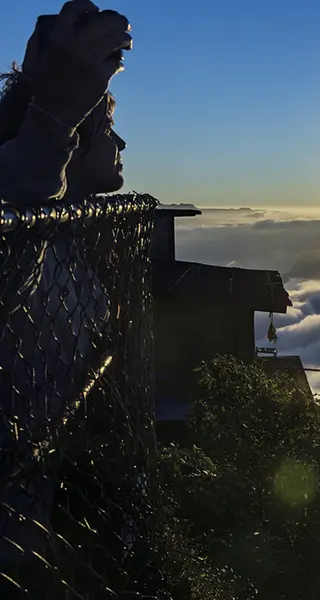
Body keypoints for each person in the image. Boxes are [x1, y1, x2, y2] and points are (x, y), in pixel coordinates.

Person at [0, 0, 132, 583]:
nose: (120, 140)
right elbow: (13, 220)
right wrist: (53, 115)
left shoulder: (65, 245)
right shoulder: (26, 240)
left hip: (40, 511)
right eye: (103, 124)